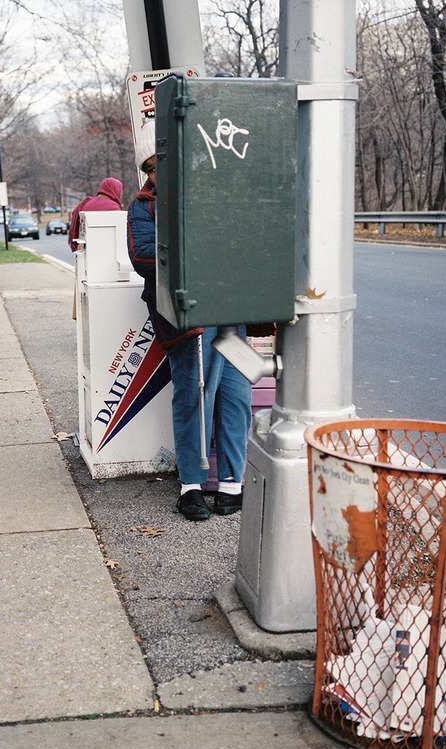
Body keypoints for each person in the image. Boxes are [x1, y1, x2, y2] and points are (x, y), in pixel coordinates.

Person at [126, 135, 254, 522]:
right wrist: (196, 250)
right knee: (195, 397)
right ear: (148, 171)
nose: (161, 171)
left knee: (236, 396)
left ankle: (232, 484)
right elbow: (142, 257)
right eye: (153, 166)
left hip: (232, 310)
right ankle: (191, 486)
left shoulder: (211, 192)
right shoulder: (142, 206)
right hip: (187, 318)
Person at [68, 177, 124, 253]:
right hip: (105, 251)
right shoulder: (113, 207)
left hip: (85, 249)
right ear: (115, 190)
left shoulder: (87, 203)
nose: (120, 194)